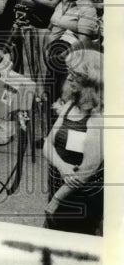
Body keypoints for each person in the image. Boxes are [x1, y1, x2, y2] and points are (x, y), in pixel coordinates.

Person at [42, 50, 103, 235]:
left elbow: (87, 170)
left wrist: (57, 200)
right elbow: (47, 143)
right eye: (69, 72)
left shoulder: (99, 118)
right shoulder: (70, 105)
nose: (68, 78)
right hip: (58, 184)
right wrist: (62, 167)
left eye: (75, 75)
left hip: (81, 198)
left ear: (91, 80)